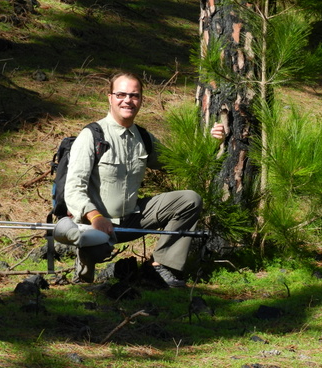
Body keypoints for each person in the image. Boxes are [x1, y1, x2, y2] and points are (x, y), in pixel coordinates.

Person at [65, 72, 225, 286]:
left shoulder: (143, 138)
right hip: (96, 224)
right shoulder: (92, 136)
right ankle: (84, 274)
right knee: (97, 251)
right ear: (110, 97)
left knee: (189, 200)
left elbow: (182, 163)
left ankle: (161, 267)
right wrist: (96, 217)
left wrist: (212, 142)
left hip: (132, 218)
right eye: (121, 94)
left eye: (134, 95)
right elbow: (73, 189)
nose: (128, 100)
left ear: (141, 100)